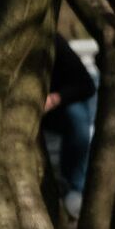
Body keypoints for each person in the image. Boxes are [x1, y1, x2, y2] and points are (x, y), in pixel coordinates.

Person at [43, 35, 97, 218]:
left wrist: (54, 99)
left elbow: (87, 85)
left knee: (77, 116)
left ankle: (76, 189)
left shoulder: (54, 43)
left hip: (57, 110)